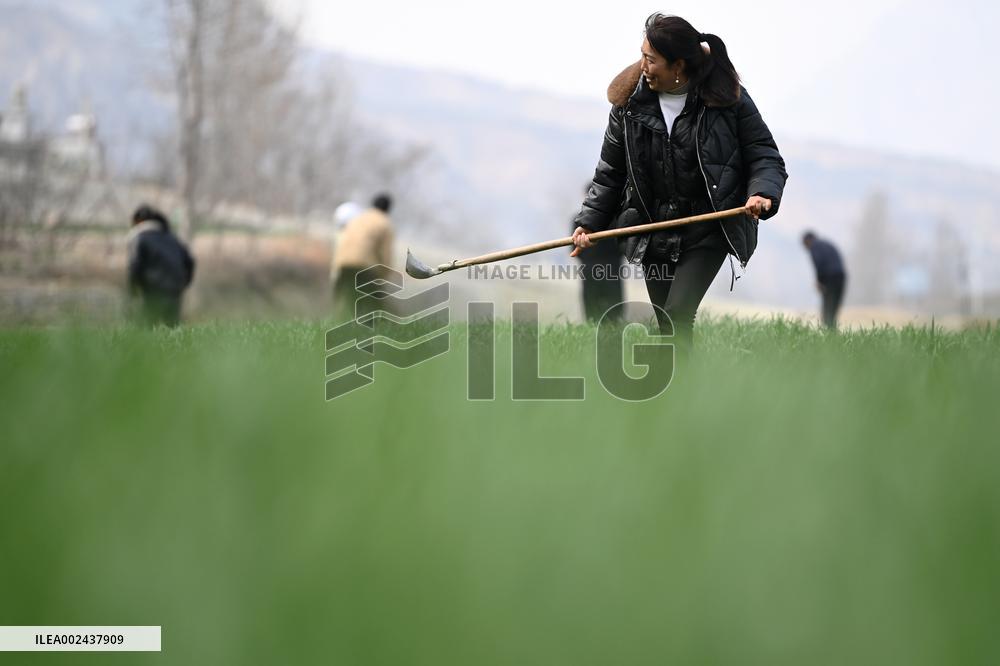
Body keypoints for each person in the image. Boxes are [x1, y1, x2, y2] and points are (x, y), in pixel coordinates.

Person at [571, 13, 788, 349]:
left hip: (708, 227)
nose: (642, 66)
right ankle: (679, 394)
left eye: (651, 59)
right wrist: (588, 224)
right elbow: (610, 172)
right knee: (667, 323)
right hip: (652, 228)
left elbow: (764, 154)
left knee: (676, 313)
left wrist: (761, 192)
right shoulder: (627, 106)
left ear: (679, 66)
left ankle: (680, 391)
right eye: (642, 55)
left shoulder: (728, 99)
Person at [126, 205, 195, 327]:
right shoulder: (171, 238)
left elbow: (135, 265)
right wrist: (184, 283)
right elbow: (189, 261)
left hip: (153, 289)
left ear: (138, 221)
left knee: (147, 327)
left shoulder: (140, 238)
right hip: (175, 289)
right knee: (173, 328)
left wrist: (132, 289)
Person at [331, 193, 395, 318]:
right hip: (365, 268)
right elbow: (385, 254)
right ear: (388, 209)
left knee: (345, 302)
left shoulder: (358, 218)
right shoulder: (385, 224)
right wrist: (383, 276)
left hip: (343, 264)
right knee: (372, 305)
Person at [573, 184, 624, 322]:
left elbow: (622, 245)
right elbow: (573, 248)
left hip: (611, 266)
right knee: (591, 300)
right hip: (590, 267)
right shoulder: (578, 221)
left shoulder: (616, 219)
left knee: (614, 302)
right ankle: (592, 326)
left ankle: (614, 327)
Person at [802, 231, 847, 329]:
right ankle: (832, 334)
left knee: (827, 310)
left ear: (808, 241)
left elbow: (819, 264)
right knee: (833, 309)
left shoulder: (814, 247)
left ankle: (829, 335)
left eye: (805, 244)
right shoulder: (826, 244)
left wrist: (820, 282)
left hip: (830, 279)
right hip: (841, 277)